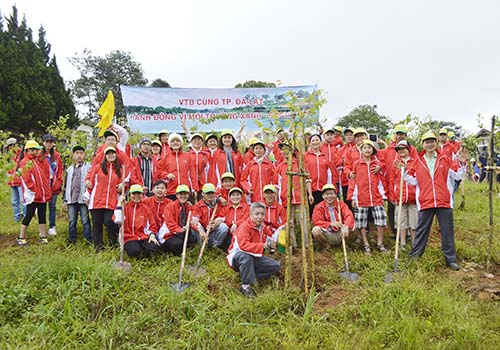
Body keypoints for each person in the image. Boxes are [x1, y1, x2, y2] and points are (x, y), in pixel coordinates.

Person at [401, 131, 467, 270]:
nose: (430, 144)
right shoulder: (417, 161)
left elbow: (457, 175)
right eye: (427, 141)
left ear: (436, 143)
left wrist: (462, 162)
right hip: (425, 200)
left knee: (447, 231)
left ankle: (450, 259)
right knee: (421, 230)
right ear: (422, 144)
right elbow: (412, 180)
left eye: (432, 141)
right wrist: (403, 170)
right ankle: (415, 256)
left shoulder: (445, 159)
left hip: (444, 200)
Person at [226, 202, 281, 298]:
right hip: (237, 257)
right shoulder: (244, 227)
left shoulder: (263, 227)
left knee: (275, 266)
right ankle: (245, 286)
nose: (260, 217)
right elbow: (243, 246)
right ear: (250, 215)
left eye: (262, 214)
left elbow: (271, 237)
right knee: (245, 256)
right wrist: (263, 246)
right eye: (257, 214)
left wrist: (273, 243)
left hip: (254, 256)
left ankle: (248, 276)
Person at [85, 147, 127, 252]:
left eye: (113, 153)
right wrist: (87, 196)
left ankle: (113, 245)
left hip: (112, 202)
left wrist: (124, 185)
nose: (111, 155)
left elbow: (125, 184)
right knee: (97, 225)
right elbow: (90, 182)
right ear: (105, 155)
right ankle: (98, 248)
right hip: (97, 201)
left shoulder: (120, 170)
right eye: (108, 153)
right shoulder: (97, 168)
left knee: (110, 222)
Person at [351, 140, 388, 255]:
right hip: (362, 197)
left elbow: (382, 179)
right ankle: (366, 244)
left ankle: (380, 243)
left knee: (381, 219)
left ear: (373, 150)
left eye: (369, 148)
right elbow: (354, 182)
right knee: (361, 222)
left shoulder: (377, 164)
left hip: (376, 196)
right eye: (365, 148)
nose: (367, 150)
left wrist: (383, 194)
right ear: (361, 151)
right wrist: (353, 196)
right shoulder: (357, 164)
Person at [16, 140, 52, 246]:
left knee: (42, 214)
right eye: (36, 149)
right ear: (30, 150)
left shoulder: (35, 161)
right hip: (33, 195)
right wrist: (34, 191)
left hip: (41, 194)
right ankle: (21, 236)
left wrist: (44, 191)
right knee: (29, 214)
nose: (38, 151)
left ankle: (43, 235)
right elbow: (27, 179)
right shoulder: (25, 162)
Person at [113, 184, 160, 259]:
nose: (136, 196)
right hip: (128, 238)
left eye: (139, 193)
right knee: (134, 251)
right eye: (134, 193)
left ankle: (146, 255)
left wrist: (152, 235)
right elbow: (117, 220)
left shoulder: (146, 208)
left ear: (142, 195)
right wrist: (119, 204)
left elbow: (152, 225)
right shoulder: (125, 207)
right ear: (129, 195)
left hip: (143, 237)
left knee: (154, 248)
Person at [390, 140, 417, 250]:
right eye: (399, 150)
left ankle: (415, 243)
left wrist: (405, 168)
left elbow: (416, 177)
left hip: (413, 196)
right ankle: (402, 243)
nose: (401, 151)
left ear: (408, 150)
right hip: (400, 196)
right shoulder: (395, 163)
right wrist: (392, 196)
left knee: (414, 222)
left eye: (403, 149)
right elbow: (392, 180)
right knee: (401, 221)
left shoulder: (415, 162)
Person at [159, 185, 200, 256]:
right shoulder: (170, 206)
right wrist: (180, 230)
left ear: (188, 195)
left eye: (185, 194)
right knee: (177, 243)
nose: (183, 196)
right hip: (169, 234)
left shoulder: (189, 206)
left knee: (193, 239)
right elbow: (170, 223)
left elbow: (193, 215)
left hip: (182, 232)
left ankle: (183, 252)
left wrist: (195, 220)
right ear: (177, 195)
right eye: (181, 194)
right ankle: (167, 253)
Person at [62, 145, 92, 244]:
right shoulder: (69, 169)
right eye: (77, 153)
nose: (79, 156)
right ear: (73, 155)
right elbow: (66, 185)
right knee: (72, 220)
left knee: (85, 220)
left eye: (81, 153)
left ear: (84, 155)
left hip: (83, 199)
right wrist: (64, 200)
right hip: (72, 199)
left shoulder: (89, 167)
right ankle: (72, 239)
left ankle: (88, 239)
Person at [311, 184, 355, 249]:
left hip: (341, 232)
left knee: (354, 227)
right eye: (327, 194)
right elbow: (316, 221)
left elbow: (349, 215)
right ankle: (327, 245)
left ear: (335, 195)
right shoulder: (319, 207)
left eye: (331, 194)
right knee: (315, 231)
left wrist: (346, 226)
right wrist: (330, 224)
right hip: (328, 233)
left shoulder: (341, 204)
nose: (329, 196)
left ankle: (343, 245)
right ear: (323, 196)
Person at [305, 134, 338, 216]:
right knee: (309, 211)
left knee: (322, 211)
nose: (315, 142)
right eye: (313, 140)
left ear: (320, 142)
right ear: (309, 143)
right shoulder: (305, 156)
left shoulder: (325, 157)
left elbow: (330, 174)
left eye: (317, 140)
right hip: (309, 188)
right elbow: (304, 173)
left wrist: (329, 188)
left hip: (322, 188)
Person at [192, 183, 229, 250]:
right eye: (208, 193)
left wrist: (215, 223)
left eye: (212, 193)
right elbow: (194, 220)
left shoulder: (218, 204)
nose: (210, 195)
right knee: (196, 227)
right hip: (202, 231)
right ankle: (202, 246)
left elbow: (222, 217)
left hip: (212, 230)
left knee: (223, 227)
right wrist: (201, 231)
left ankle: (215, 246)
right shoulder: (197, 206)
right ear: (203, 194)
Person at [162, 133, 196, 201]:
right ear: (169, 144)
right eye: (173, 141)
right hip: (171, 191)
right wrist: (166, 175)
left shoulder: (188, 156)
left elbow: (192, 174)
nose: (175, 143)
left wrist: (194, 189)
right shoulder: (165, 158)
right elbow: (160, 172)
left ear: (181, 143)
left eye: (177, 141)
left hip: (185, 190)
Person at [41, 133, 64, 236]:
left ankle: (52, 226)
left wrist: (59, 182)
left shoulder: (57, 156)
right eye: (47, 142)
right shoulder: (40, 155)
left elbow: (60, 170)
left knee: (52, 206)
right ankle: (42, 227)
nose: (49, 144)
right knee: (42, 206)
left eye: (51, 142)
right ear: (43, 143)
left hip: (53, 182)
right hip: (43, 183)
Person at [240, 139, 275, 203]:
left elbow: (274, 178)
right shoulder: (249, 164)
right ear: (253, 151)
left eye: (260, 148)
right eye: (256, 148)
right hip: (254, 195)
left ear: (264, 150)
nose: (258, 150)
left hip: (267, 195)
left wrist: (272, 189)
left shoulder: (269, 164)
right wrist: (247, 188)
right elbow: (243, 179)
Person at [5, 137, 26, 221]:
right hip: (12, 182)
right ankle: (16, 218)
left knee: (22, 200)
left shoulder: (22, 155)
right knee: (14, 201)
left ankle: (25, 218)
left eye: (10, 146)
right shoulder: (9, 156)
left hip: (20, 181)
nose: (9, 148)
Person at [188, 133, 209, 201]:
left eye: (199, 139)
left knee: (203, 205)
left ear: (202, 142)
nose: (197, 141)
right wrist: (193, 187)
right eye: (195, 140)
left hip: (203, 185)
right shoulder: (187, 155)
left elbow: (209, 170)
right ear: (191, 142)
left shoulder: (206, 154)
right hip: (191, 185)